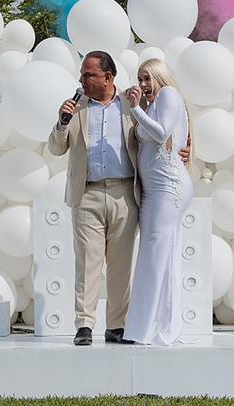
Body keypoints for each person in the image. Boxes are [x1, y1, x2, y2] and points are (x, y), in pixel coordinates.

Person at [47, 50, 139, 346]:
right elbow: (56, 148)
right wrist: (62, 122)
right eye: (82, 74)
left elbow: (152, 137)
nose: (82, 80)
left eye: (89, 75)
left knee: (121, 264)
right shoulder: (77, 107)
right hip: (86, 193)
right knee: (88, 262)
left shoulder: (129, 104)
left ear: (108, 77)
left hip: (124, 191)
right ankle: (84, 325)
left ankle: (116, 325)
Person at [121, 57, 195, 346]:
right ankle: (159, 325)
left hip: (168, 188)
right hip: (154, 190)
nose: (142, 84)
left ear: (159, 77)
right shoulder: (154, 105)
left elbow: (163, 132)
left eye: (147, 78)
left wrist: (136, 108)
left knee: (153, 255)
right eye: (139, 79)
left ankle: (142, 330)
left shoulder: (169, 95)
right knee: (159, 257)